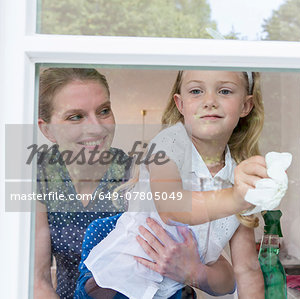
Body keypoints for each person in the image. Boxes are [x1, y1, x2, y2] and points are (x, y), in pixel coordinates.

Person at [34, 68, 236, 299]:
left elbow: (227, 279)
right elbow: (37, 280)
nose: (97, 127)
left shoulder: (142, 172)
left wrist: (194, 272)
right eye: (76, 117)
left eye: (104, 111)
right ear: (47, 129)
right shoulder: (40, 181)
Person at [77, 70, 267, 298]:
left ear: (246, 106)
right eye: (196, 91)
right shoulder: (169, 143)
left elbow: (247, 268)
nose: (209, 102)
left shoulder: (238, 176)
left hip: (169, 290)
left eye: (224, 91)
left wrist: (198, 272)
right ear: (180, 104)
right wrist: (237, 197)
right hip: (114, 284)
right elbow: (172, 208)